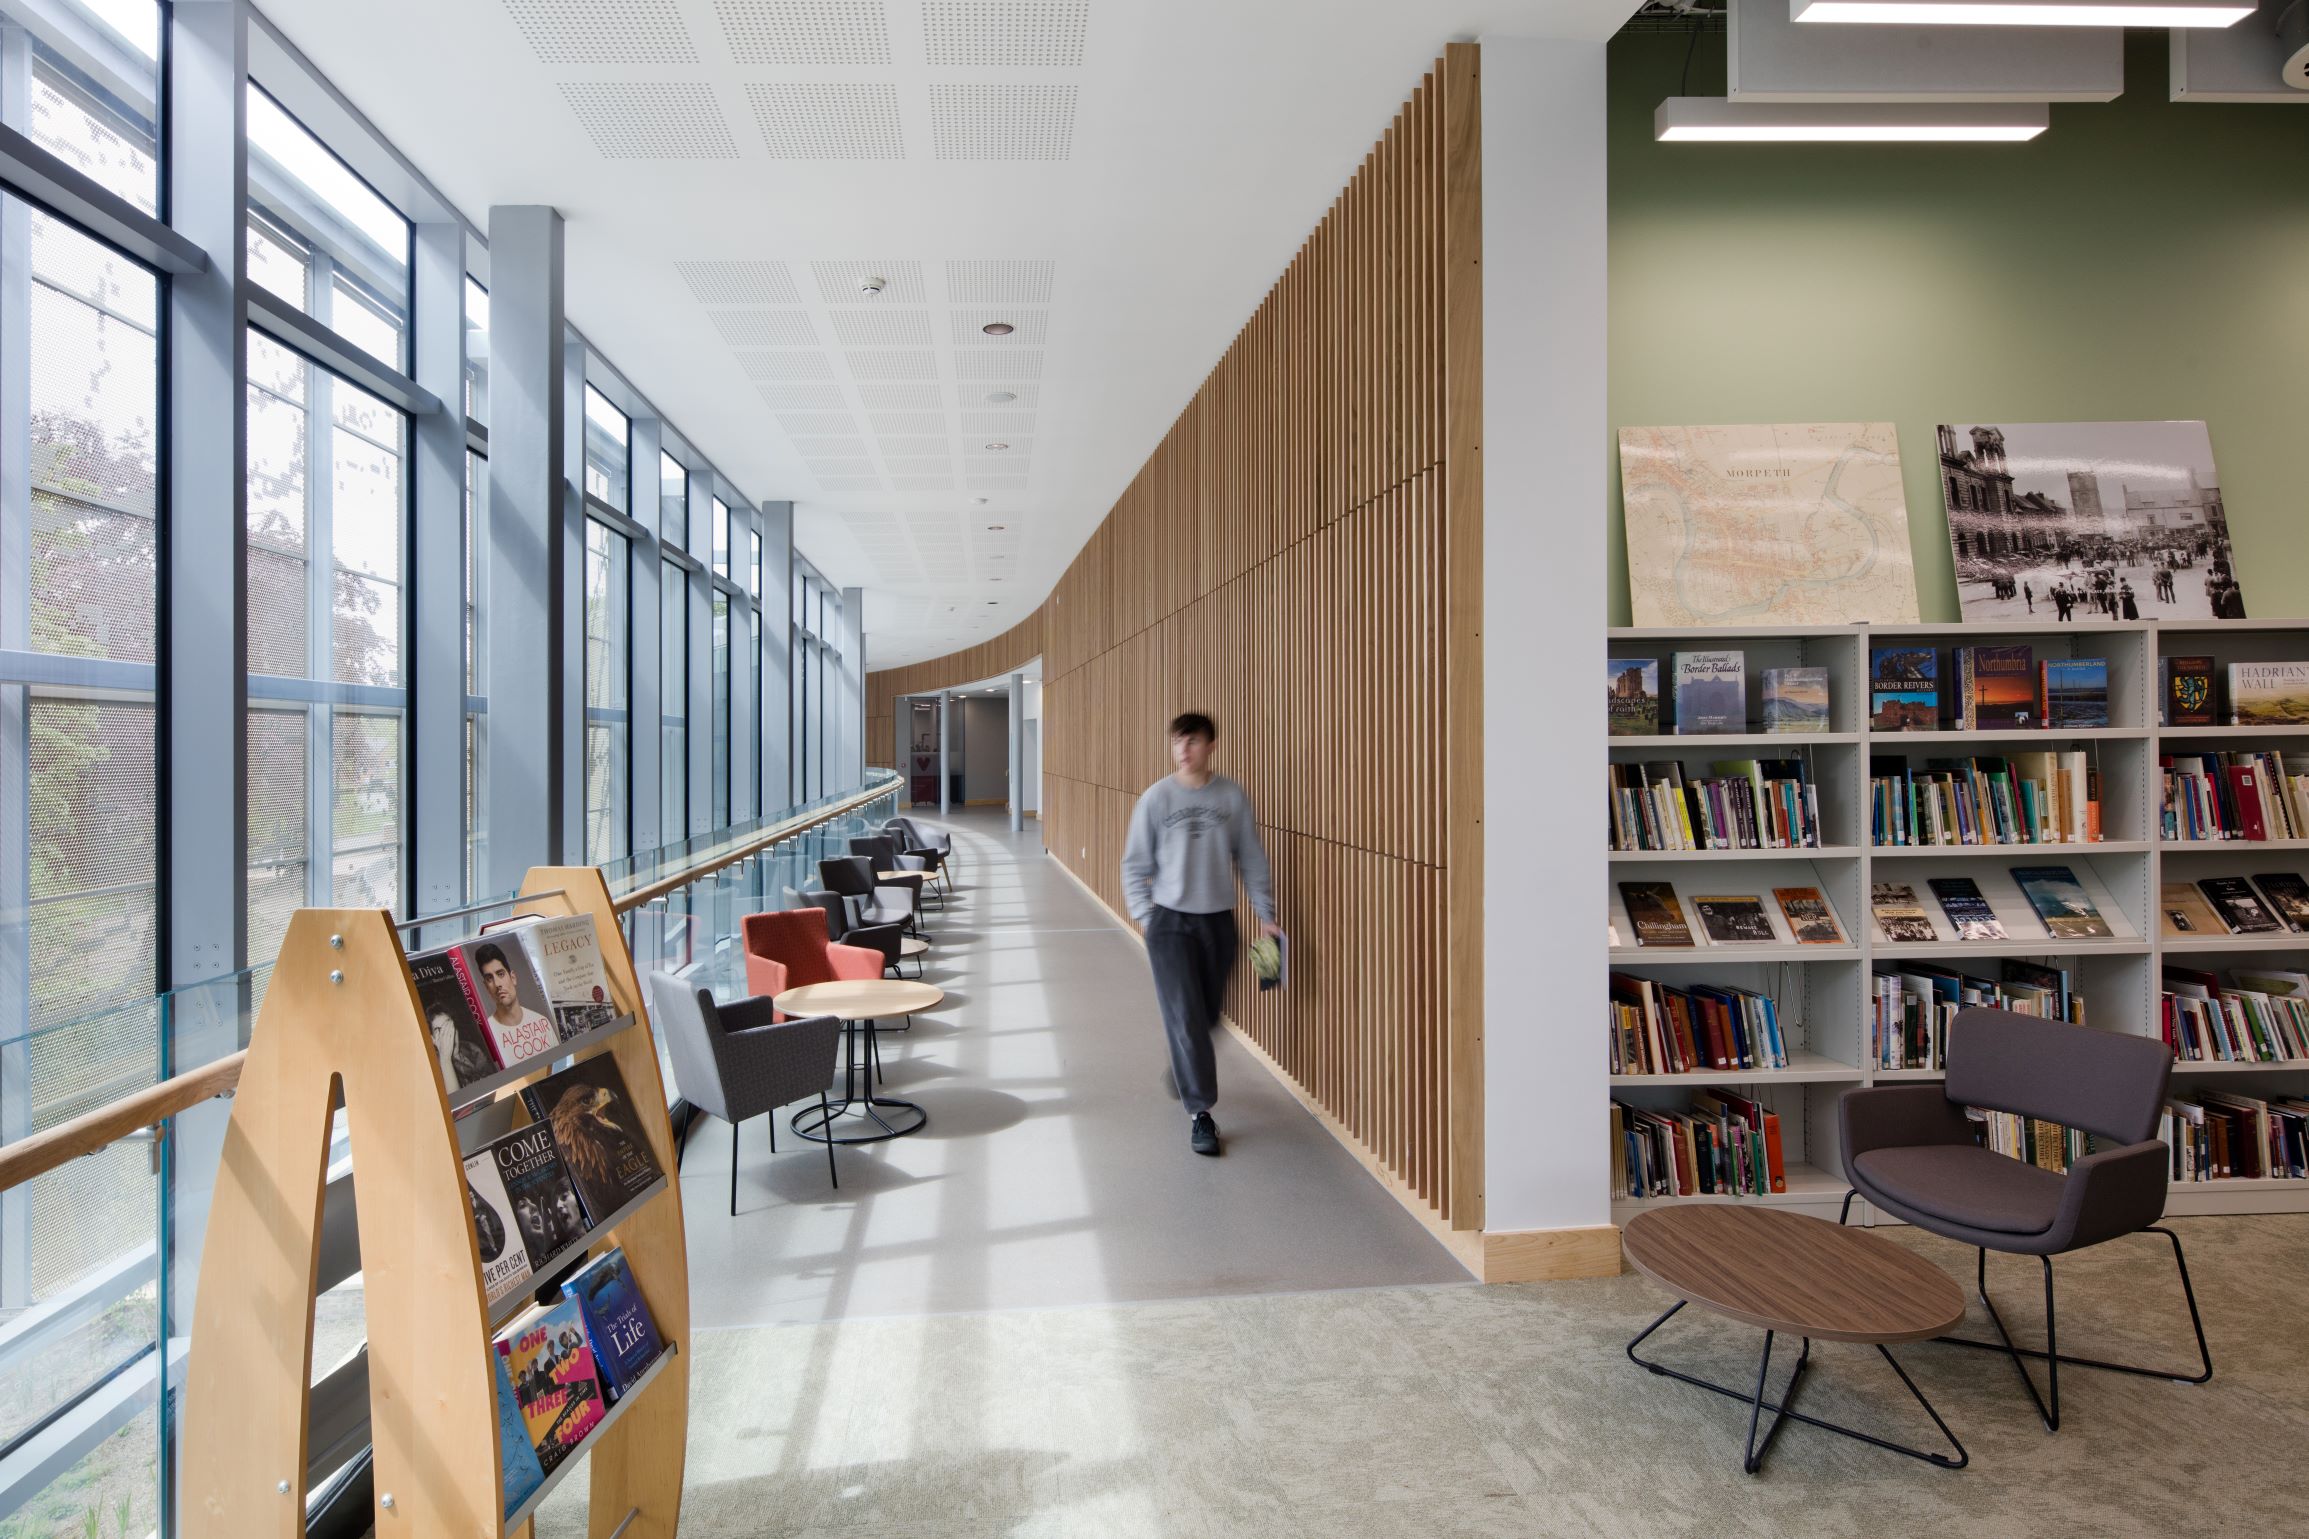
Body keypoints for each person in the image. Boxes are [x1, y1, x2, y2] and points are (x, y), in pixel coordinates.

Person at [1121, 711, 1282, 1157]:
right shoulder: (1156, 798)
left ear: (1210, 745)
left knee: (1207, 1017)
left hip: (1218, 922)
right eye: (1177, 742)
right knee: (1187, 1017)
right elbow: (1135, 863)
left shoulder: (1230, 796)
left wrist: (1264, 915)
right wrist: (1146, 917)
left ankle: (1183, 1065)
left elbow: (1250, 856)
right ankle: (1201, 1113)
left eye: (1191, 742)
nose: (1182, 751)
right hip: (1170, 924)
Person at [472, 941, 555, 1060]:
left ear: (513, 978)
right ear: (486, 987)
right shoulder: (488, 1036)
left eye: (500, 974)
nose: (497, 984)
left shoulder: (542, 1022)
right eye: (489, 979)